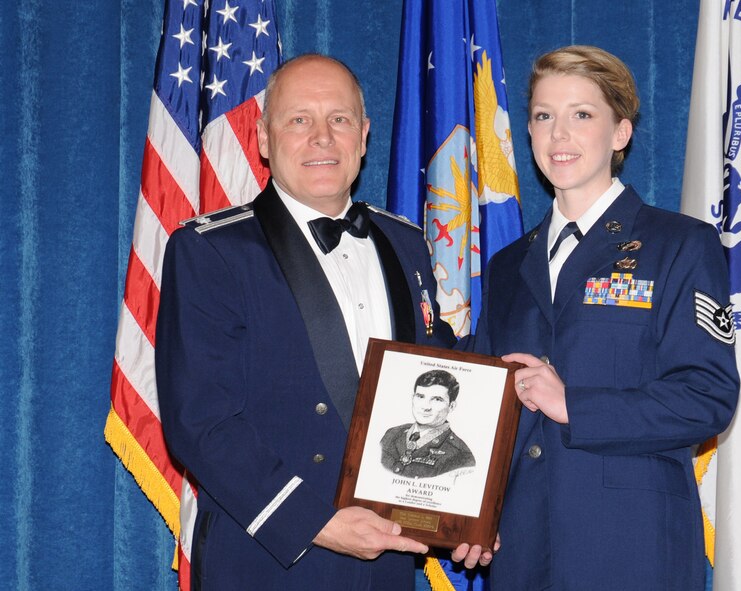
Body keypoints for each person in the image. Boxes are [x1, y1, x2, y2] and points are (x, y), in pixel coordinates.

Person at [155, 54, 490, 590]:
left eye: (339, 119)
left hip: (386, 564)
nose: (322, 138)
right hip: (270, 559)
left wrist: (471, 505)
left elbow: (437, 373)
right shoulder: (212, 252)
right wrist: (317, 523)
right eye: (298, 120)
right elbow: (201, 423)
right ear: (264, 138)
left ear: (364, 135)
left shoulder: (404, 242)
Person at [471, 46, 740, 590]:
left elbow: (708, 397)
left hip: (632, 551)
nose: (559, 135)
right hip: (522, 553)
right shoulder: (506, 266)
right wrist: (468, 511)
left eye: (582, 115)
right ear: (527, 131)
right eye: (544, 116)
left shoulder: (680, 245)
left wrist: (573, 404)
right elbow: (485, 408)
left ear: (621, 133)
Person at [380, 369, 476, 478]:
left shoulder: (461, 456)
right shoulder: (392, 434)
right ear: (413, 398)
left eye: (437, 399)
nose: (425, 407)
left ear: (451, 406)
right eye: (420, 396)